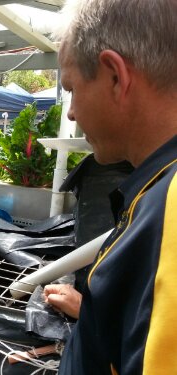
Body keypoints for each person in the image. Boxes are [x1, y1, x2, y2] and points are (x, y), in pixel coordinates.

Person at [43, 0, 177, 374]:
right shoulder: (157, 191)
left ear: (116, 76)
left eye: (71, 88)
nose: (71, 112)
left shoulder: (171, 209)